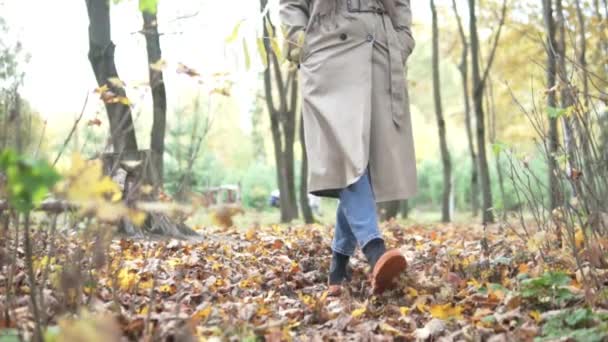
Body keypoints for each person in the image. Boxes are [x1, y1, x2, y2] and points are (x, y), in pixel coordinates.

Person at [280, 0, 417, 295]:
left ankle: (338, 269)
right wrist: (300, 41)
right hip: (328, 52)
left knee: (361, 160)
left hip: (379, 50)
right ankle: (375, 251)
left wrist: (402, 38)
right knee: (346, 151)